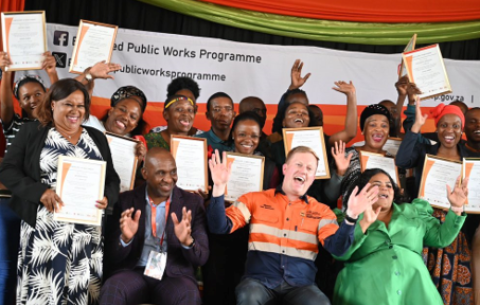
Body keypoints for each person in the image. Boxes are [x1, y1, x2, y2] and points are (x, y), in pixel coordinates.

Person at [206, 146, 378, 305]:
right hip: (258, 282)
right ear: (285, 169)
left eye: (309, 169)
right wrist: (219, 188)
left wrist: (351, 217)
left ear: (312, 178)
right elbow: (219, 227)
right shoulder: (254, 199)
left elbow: (337, 248)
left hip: (301, 285)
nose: (303, 170)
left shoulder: (322, 211)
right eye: (299, 164)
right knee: (248, 296)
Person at [0, 78, 120, 304]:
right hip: (44, 231)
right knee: (43, 292)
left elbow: (112, 179)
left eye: (81, 105)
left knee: (80, 293)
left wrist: (107, 197)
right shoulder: (31, 132)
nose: (76, 111)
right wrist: (40, 192)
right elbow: (7, 171)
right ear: (53, 104)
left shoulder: (96, 138)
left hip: (86, 234)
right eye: (68, 104)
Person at [333, 169, 468, 305]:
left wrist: (456, 208)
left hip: (416, 289)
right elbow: (339, 254)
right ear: (362, 190)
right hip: (366, 289)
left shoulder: (414, 211)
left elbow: (441, 237)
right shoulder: (349, 218)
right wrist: (364, 222)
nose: (384, 188)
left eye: (389, 185)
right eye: (377, 184)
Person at [100, 148, 209, 305]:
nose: (169, 179)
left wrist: (187, 241)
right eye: (161, 173)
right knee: (113, 288)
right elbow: (112, 255)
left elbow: (202, 257)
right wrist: (125, 238)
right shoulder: (125, 201)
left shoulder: (192, 203)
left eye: (173, 172)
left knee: (189, 294)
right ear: (145, 174)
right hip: (134, 272)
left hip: (173, 276)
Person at [396, 100, 479, 304]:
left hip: (455, 230)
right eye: (444, 125)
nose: (449, 131)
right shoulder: (425, 151)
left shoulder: (472, 159)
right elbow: (402, 160)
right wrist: (416, 128)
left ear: (462, 131)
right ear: (437, 128)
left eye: (455, 126)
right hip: (423, 227)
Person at [336, 104, 393, 203]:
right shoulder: (347, 155)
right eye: (373, 125)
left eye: (384, 125)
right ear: (363, 130)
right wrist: (340, 173)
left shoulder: (392, 161)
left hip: (384, 217)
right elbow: (329, 196)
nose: (379, 129)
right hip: (353, 217)